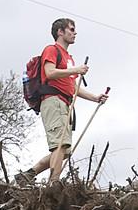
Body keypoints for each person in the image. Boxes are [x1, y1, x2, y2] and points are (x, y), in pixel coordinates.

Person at [21, 18, 108, 184]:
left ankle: (28, 174)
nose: (75, 33)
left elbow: (72, 87)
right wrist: (76, 69)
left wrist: (95, 98)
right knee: (59, 146)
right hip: (53, 101)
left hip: (65, 103)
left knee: (65, 150)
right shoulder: (52, 50)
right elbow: (50, 72)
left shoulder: (68, 58)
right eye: (71, 29)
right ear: (60, 32)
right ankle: (53, 184)